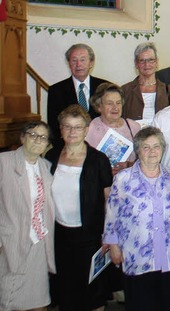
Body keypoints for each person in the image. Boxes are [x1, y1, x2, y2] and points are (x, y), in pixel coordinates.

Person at [103, 127, 170, 311]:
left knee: (168, 305)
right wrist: (113, 246)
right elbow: (112, 213)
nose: (152, 151)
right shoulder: (123, 178)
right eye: (146, 147)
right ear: (137, 151)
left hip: (168, 255)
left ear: (163, 149)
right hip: (136, 255)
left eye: (156, 146)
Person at [45, 105, 112, 311]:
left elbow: (109, 199)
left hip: (90, 237)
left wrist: (109, 234)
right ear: (60, 129)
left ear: (86, 130)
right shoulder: (51, 156)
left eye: (78, 127)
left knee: (92, 293)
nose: (72, 132)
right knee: (67, 292)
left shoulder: (99, 160)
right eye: (67, 127)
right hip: (60, 236)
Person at [0, 121, 56, 311]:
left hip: (38, 242)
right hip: (10, 242)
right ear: (23, 137)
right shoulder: (4, 162)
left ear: (47, 143)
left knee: (38, 301)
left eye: (43, 137)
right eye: (32, 135)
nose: (37, 140)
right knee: (9, 299)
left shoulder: (46, 168)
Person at [48, 43, 111, 144]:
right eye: (74, 60)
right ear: (69, 63)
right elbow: (54, 126)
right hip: (69, 146)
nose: (78, 65)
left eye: (82, 60)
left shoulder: (105, 87)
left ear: (91, 63)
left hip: (101, 145)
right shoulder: (56, 90)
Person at [86, 83, 141, 174]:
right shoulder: (90, 129)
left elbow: (144, 159)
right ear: (99, 107)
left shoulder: (134, 127)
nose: (115, 108)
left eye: (118, 103)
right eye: (109, 103)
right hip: (102, 184)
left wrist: (128, 165)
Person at [121, 42, 170, 124]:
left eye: (151, 60)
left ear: (156, 62)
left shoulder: (168, 90)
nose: (147, 64)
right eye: (142, 61)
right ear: (136, 64)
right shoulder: (125, 90)